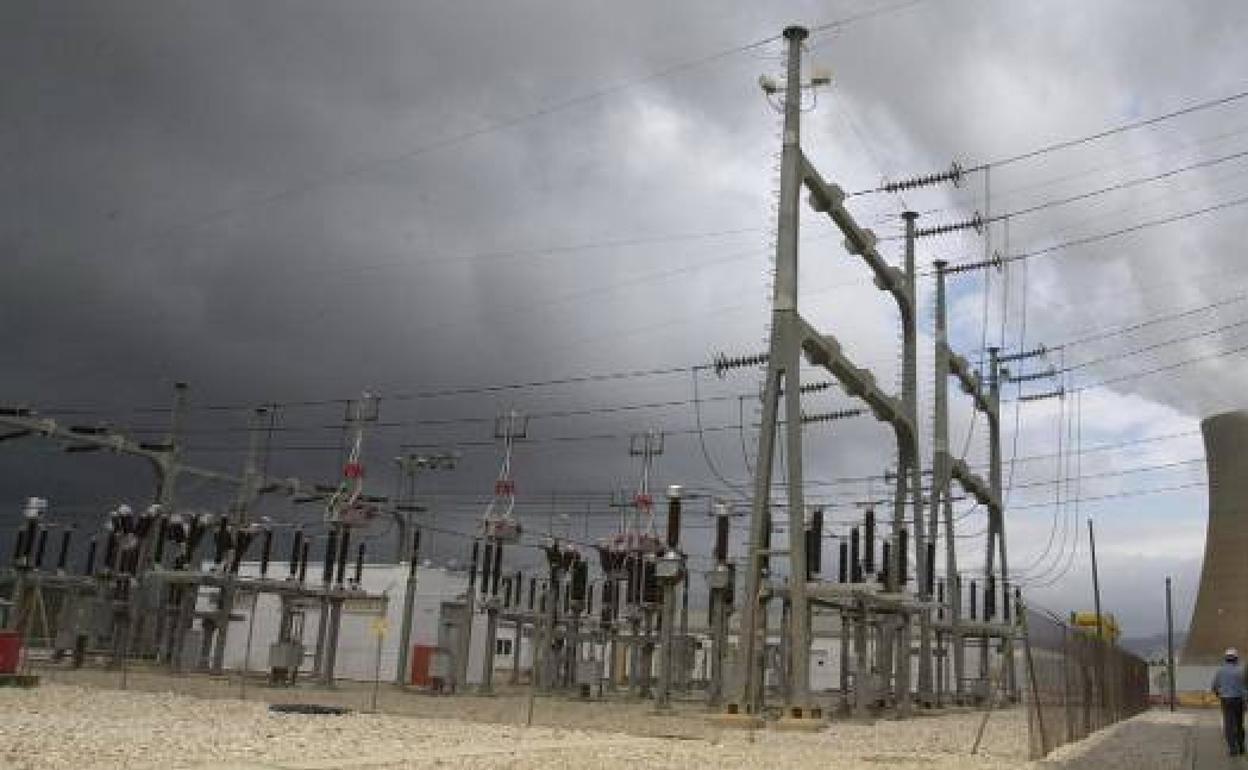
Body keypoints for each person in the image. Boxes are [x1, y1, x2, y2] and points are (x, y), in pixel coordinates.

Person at [1213, 647, 1247, 755]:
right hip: (1240, 700)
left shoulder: (1220, 671)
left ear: (1226, 658)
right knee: (1239, 723)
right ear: (1236, 658)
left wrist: (1219, 694)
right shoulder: (1242, 671)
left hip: (1226, 700)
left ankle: (1232, 749)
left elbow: (1214, 686)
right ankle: (1241, 746)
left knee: (1229, 724)